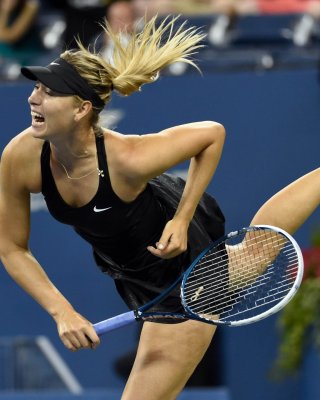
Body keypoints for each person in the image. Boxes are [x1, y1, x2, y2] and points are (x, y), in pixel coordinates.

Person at [0, 14, 318, 400]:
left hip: (186, 275)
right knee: (254, 250)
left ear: (82, 109)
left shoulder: (129, 157)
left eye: (49, 92)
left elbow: (211, 135)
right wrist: (61, 311)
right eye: (36, 87)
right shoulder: (21, 156)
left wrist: (183, 219)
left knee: (256, 251)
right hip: (134, 269)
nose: (33, 97)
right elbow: (11, 246)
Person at [0, 0, 44, 66]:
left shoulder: (31, 4)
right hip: (6, 58)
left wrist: (6, 11)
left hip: (30, 56)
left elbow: (10, 36)